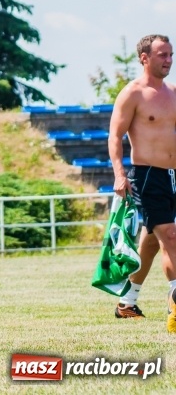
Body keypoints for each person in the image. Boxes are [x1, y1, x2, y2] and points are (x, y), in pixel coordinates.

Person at [110, 33, 176, 332]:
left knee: (152, 241)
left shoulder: (173, 92)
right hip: (148, 175)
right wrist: (119, 174)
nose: (169, 60)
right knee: (171, 236)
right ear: (144, 58)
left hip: (174, 175)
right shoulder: (132, 93)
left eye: (171, 54)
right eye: (162, 54)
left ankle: (127, 302)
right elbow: (115, 136)